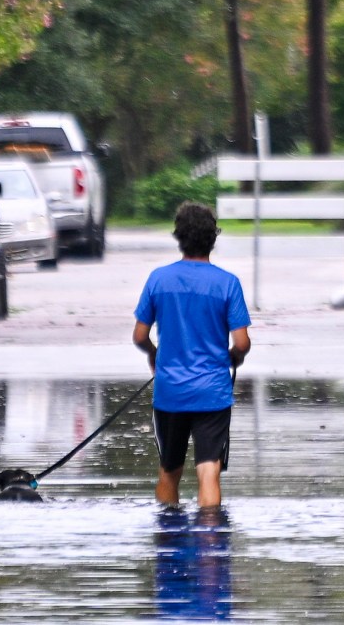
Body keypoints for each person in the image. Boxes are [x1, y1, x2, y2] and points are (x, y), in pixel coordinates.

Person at [133, 202, 251, 509]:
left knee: (169, 471)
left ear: (179, 237)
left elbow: (140, 336)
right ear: (213, 238)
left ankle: (168, 539)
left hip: (170, 391)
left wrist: (154, 355)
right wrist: (233, 357)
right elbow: (242, 342)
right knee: (208, 472)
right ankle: (211, 545)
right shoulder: (227, 283)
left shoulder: (159, 279)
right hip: (212, 391)